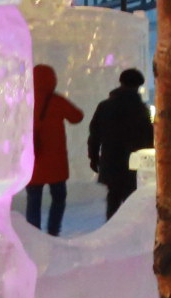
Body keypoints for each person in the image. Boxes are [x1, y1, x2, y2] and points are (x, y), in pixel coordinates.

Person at [87, 67, 154, 220]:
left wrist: (93, 157)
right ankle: (129, 235)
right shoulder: (140, 109)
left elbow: (95, 134)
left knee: (113, 198)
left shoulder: (105, 106)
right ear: (138, 86)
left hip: (110, 158)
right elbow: (149, 137)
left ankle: (111, 231)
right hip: (134, 162)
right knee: (131, 200)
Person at [25, 63, 82, 235]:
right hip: (55, 162)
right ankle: (53, 231)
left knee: (33, 199)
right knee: (58, 198)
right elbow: (77, 117)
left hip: (33, 160)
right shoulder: (57, 101)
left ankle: (33, 233)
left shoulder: (25, 100)